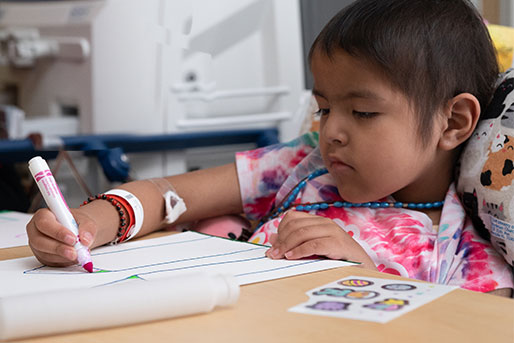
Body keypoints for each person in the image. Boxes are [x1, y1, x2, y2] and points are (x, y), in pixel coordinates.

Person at [27, 0, 513, 296]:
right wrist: (91, 224)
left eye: (362, 113)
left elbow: (465, 326)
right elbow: (167, 195)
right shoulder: (304, 166)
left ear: (453, 122)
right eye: (324, 108)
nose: (332, 132)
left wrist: (366, 277)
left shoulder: (465, 247)